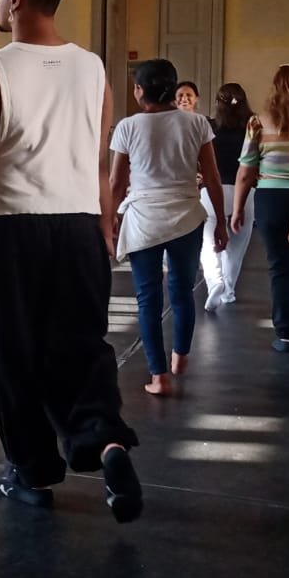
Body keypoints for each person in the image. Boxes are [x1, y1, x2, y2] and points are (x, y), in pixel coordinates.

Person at [0, 0, 142, 523]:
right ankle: (105, 440)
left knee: (13, 358)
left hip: (13, 233)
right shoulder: (93, 66)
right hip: (80, 228)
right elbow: (98, 161)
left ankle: (31, 471)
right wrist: (104, 229)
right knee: (81, 349)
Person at [109, 59, 227, 396]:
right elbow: (214, 177)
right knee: (182, 290)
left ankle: (158, 377)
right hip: (187, 216)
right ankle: (180, 356)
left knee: (148, 299)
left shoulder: (128, 127)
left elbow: (117, 181)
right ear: (174, 89)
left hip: (144, 218)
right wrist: (218, 221)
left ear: (139, 91)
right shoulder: (196, 124)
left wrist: (108, 221)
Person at [233, 64, 289, 353]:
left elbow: (246, 170)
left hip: (270, 198)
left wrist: (237, 209)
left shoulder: (259, 121)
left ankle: (284, 332)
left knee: (279, 266)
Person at [201, 83, 255, 310]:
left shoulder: (209, 126)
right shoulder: (253, 126)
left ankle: (215, 282)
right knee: (236, 247)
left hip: (212, 191)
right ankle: (229, 291)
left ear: (217, 103)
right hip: (245, 191)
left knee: (208, 243)